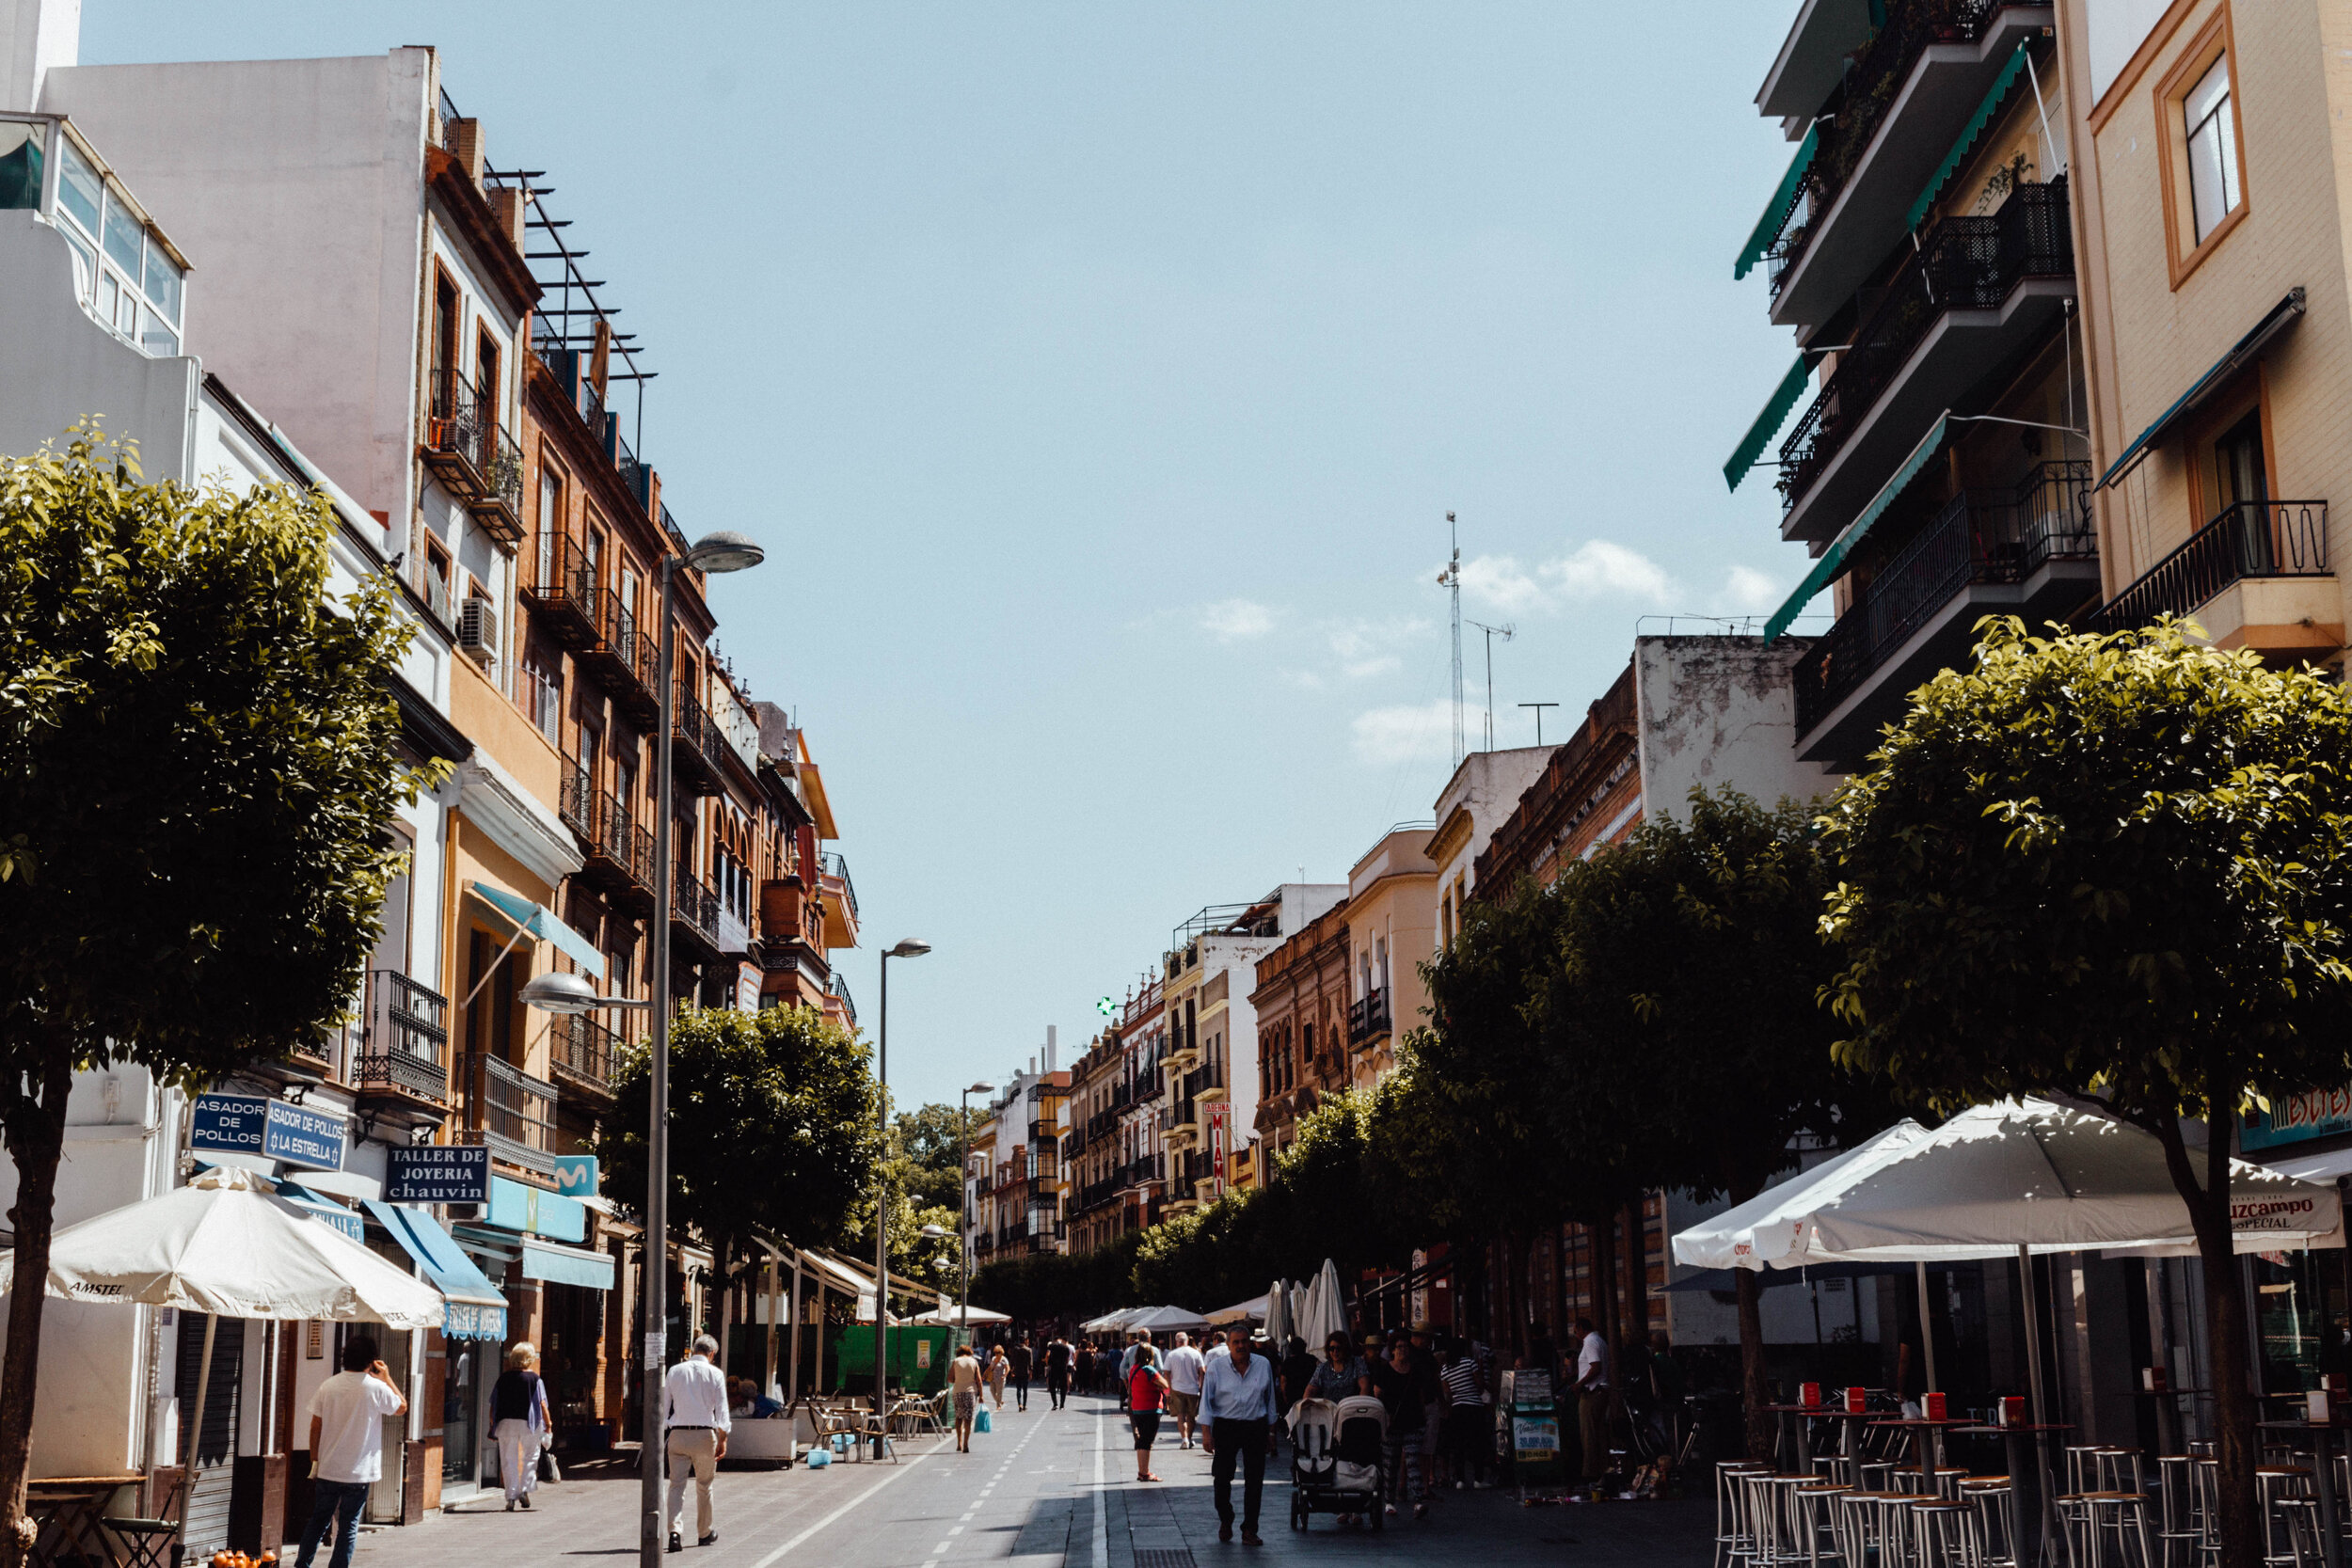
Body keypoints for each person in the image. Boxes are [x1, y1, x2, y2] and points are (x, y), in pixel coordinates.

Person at [294, 1335, 407, 1568]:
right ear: (372, 1361)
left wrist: (315, 1459)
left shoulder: (329, 1385)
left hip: (328, 1468)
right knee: (348, 1526)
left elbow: (315, 1426)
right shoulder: (376, 1388)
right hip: (359, 1473)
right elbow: (402, 1407)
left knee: (318, 1521)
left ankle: (301, 1565)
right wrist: (386, 1378)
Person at [1200, 1325, 1279, 1545]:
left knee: (1255, 1480)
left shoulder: (1263, 1365)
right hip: (1227, 1426)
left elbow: (1270, 1400)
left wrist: (1271, 1433)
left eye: (1244, 1341)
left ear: (1250, 1342)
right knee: (1222, 1478)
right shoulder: (1216, 1367)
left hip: (1255, 1426)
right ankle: (1226, 1518)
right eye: (1236, 1342)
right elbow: (1206, 1402)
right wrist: (1206, 1433)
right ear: (1228, 1345)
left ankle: (1250, 1530)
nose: (1241, 1346)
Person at [663, 1335, 730, 1553]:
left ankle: (674, 1533)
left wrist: (665, 1429)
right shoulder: (716, 1374)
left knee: (676, 1485)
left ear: (694, 1350)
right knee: (704, 1485)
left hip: (678, 1435)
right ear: (711, 1354)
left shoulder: (674, 1371)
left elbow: (664, 1407)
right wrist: (723, 1438)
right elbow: (722, 1410)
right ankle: (704, 1532)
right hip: (704, 1436)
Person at [490, 1341, 552, 1513]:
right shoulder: (534, 1379)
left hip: (505, 1423)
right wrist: (549, 1424)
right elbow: (542, 1404)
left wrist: (492, 1424)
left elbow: (494, 1404)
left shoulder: (503, 1378)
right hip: (529, 1424)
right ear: (529, 1358)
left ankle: (510, 1497)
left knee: (508, 1460)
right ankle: (525, 1490)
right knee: (531, 1456)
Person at [1372, 1338, 1427, 1520]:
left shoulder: (1415, 1370)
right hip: (1392, 1424)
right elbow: (1377, 1394)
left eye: (1405, 1347)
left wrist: (1423, 1417)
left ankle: (1419, 1500)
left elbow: (1420, 1395)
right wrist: (1384, 1416)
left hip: (1413, 1422)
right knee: (1390, 1464)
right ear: (1392, 1350)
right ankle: (1389, 1501)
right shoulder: (1385, 1370)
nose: (1403, 1350)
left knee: (1412, 1462)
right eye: (1399, 1347)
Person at [1440, 1338, 1492, 1490]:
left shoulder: (1445, 1369)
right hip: (1474, 1407)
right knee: (1477, 1443)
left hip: (1457, 1408)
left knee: (1458, 1445)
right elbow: (1480, 1384)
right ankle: (1478, 1478)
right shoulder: (1470, 1363)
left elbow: (1447, 1393)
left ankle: (1460, 1479)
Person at [1573, 1316, 1611, 1483]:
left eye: (1575, 1331)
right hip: (1599, 1391)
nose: (1575, 1334)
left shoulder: (1590, 1342)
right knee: (1598, 1432)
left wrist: (1580, 1384)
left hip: (1592, 1391)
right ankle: (1602, 1469)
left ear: (1581, 1328)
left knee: (1588, 1433)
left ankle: (1590, 1472)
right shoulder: (1599, 1340)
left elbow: (1595, 1367)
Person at [1128, 1343, 1170, 1481]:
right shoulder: (1149, 1370)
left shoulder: (1133, 1369)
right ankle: (1144, 1473)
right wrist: (1158, 1388)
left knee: (1142, 1440)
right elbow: (1165, 1384)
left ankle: (1142, 1471)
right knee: (1147, 1441)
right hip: (1151, 1409)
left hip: (1137, 1408)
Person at [1162, 1331, 1207, 1449]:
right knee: (1191, 1416)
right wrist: (1201, 1386)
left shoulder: (1172, 1354)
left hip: (1177, 1388)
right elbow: (1202, 1371)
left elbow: (1166, 1372)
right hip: (1193, 1388)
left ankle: (1185, 1439)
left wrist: (1169, 1388)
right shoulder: (1195, 1353)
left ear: (1177, 1342)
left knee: (1181, 1416)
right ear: (1186, 1341)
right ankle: (1190, 1438)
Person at [1307, 1331, 1372, 1404]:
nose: (1335, 1351)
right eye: (1332, 1348)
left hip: (1350, 1408)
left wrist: (1359, 1407)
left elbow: (1365, 1387)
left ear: (1345, 1348)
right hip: (1329, 1410)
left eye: (1339, 1348)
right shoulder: (1322, 1368)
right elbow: (1310, 1390)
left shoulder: (1356, 1363)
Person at [949, 1339, 984, 1451]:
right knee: (968, 1419)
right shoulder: (974, 1362)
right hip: (970, 1393)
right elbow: (979, 1380)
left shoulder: (955, 1361)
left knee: (959, 1418)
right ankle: (966, 1444)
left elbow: (949, 1378)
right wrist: (981, 1395)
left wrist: (958, 1379)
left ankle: (958, 1443)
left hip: (957, 1392)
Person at [1047, 1334, 1074, 1409]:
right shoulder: (1065, 1347)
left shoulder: (1052, 1346)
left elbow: (1048, 1356)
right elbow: (1067, 1358)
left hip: (1053, 1368)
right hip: (1062, 1368)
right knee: (1063, 1386)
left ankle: (1055, 1403)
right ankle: (1062, 1405)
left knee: (1052, 1386)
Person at [1009, 1336, 1035, 1412]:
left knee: (1018, 1389)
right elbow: (1030, 1363)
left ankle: (1019, 1404)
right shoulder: (1028, 1350)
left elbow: (1012, 1361)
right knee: (1025, 1390)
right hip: (1025, 1372)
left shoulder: (1015, 1350)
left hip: (1017, 1371)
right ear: (1025, 1341)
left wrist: (1012, 1370)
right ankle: (1024, 1405)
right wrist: (1031, 1373)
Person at [987, 1343, 1011, 1411]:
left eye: (998, 1353)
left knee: (999, 1392)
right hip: (993, 1378)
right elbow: (990, 1367)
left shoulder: (1004, 1359)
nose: (996, 1354)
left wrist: (1005, 1375)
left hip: (1001, 1378)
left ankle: (998, 1405)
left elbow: (1008, 1368)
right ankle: (999, 1401)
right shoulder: (993, 1358)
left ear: (1001, 1353)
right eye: (995, 1353)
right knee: (992, 1391)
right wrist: (985, 1374)